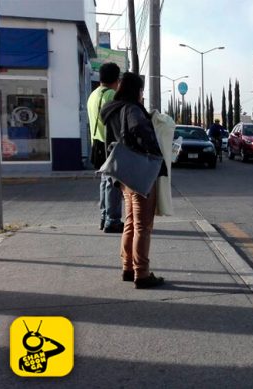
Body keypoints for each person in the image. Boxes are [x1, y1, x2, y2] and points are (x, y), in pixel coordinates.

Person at [100, 72, 167, 289]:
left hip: (123, 173)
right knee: (143, 226)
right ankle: (142, 273)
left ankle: (128, 268)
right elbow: (138, 127)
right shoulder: (131, 109)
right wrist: (155, 153)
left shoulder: (111, 110)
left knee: (130, 222)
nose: (141, 95)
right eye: (140, 90)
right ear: (135, 91)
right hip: (139, 171)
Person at [88, 62, 123, 233]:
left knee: (104, 182)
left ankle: (104, 217)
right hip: (108, 143)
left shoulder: (93, 95)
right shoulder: (110, 95)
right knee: (112, 183)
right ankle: (113, 220)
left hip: (96, 143)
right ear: (116, 79)